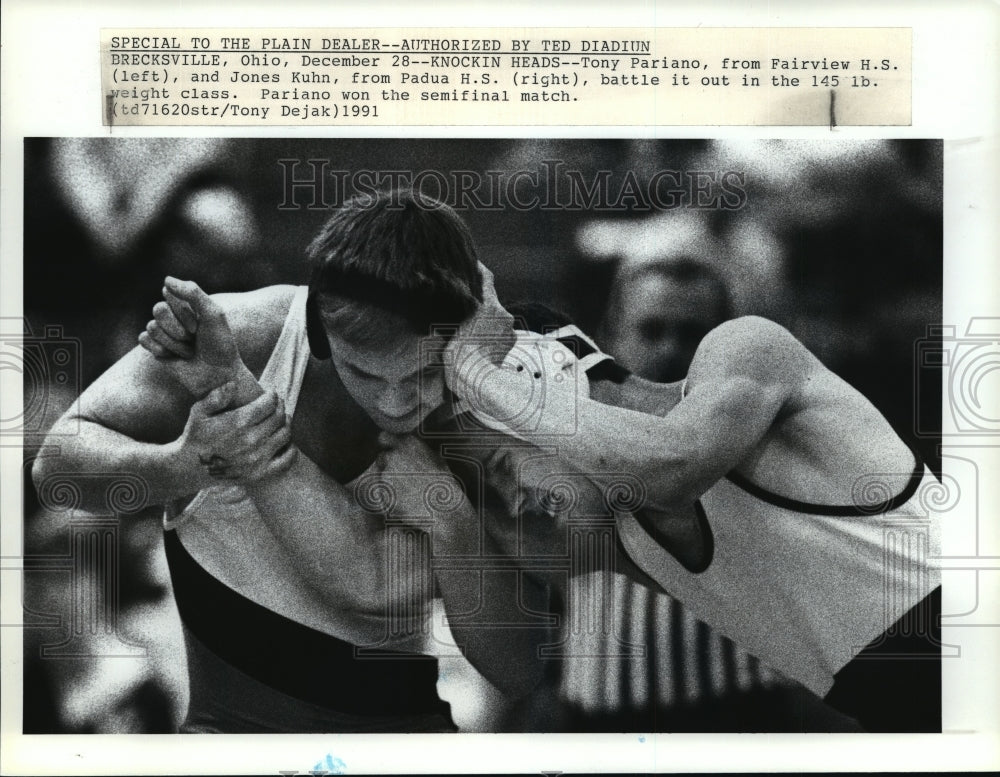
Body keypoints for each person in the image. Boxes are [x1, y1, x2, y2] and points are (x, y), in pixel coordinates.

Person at [32, 189, 542, 733]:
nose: (395, 404)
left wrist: (454, 517)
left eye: (424, 376)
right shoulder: (242, 337)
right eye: (366, 373)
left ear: (464, 341)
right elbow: (55, 473)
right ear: (320, 330)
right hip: (233, 741)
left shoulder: (484, 387)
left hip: (406, 738)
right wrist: (184, 465)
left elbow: (518, 671)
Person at [448, 306, 942, 733]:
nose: (515, 499)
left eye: (506, 468)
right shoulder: (626, 533)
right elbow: (510, 663)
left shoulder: (750, 347)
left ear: (545, 376)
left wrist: (477, 375)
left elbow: (674, 469)